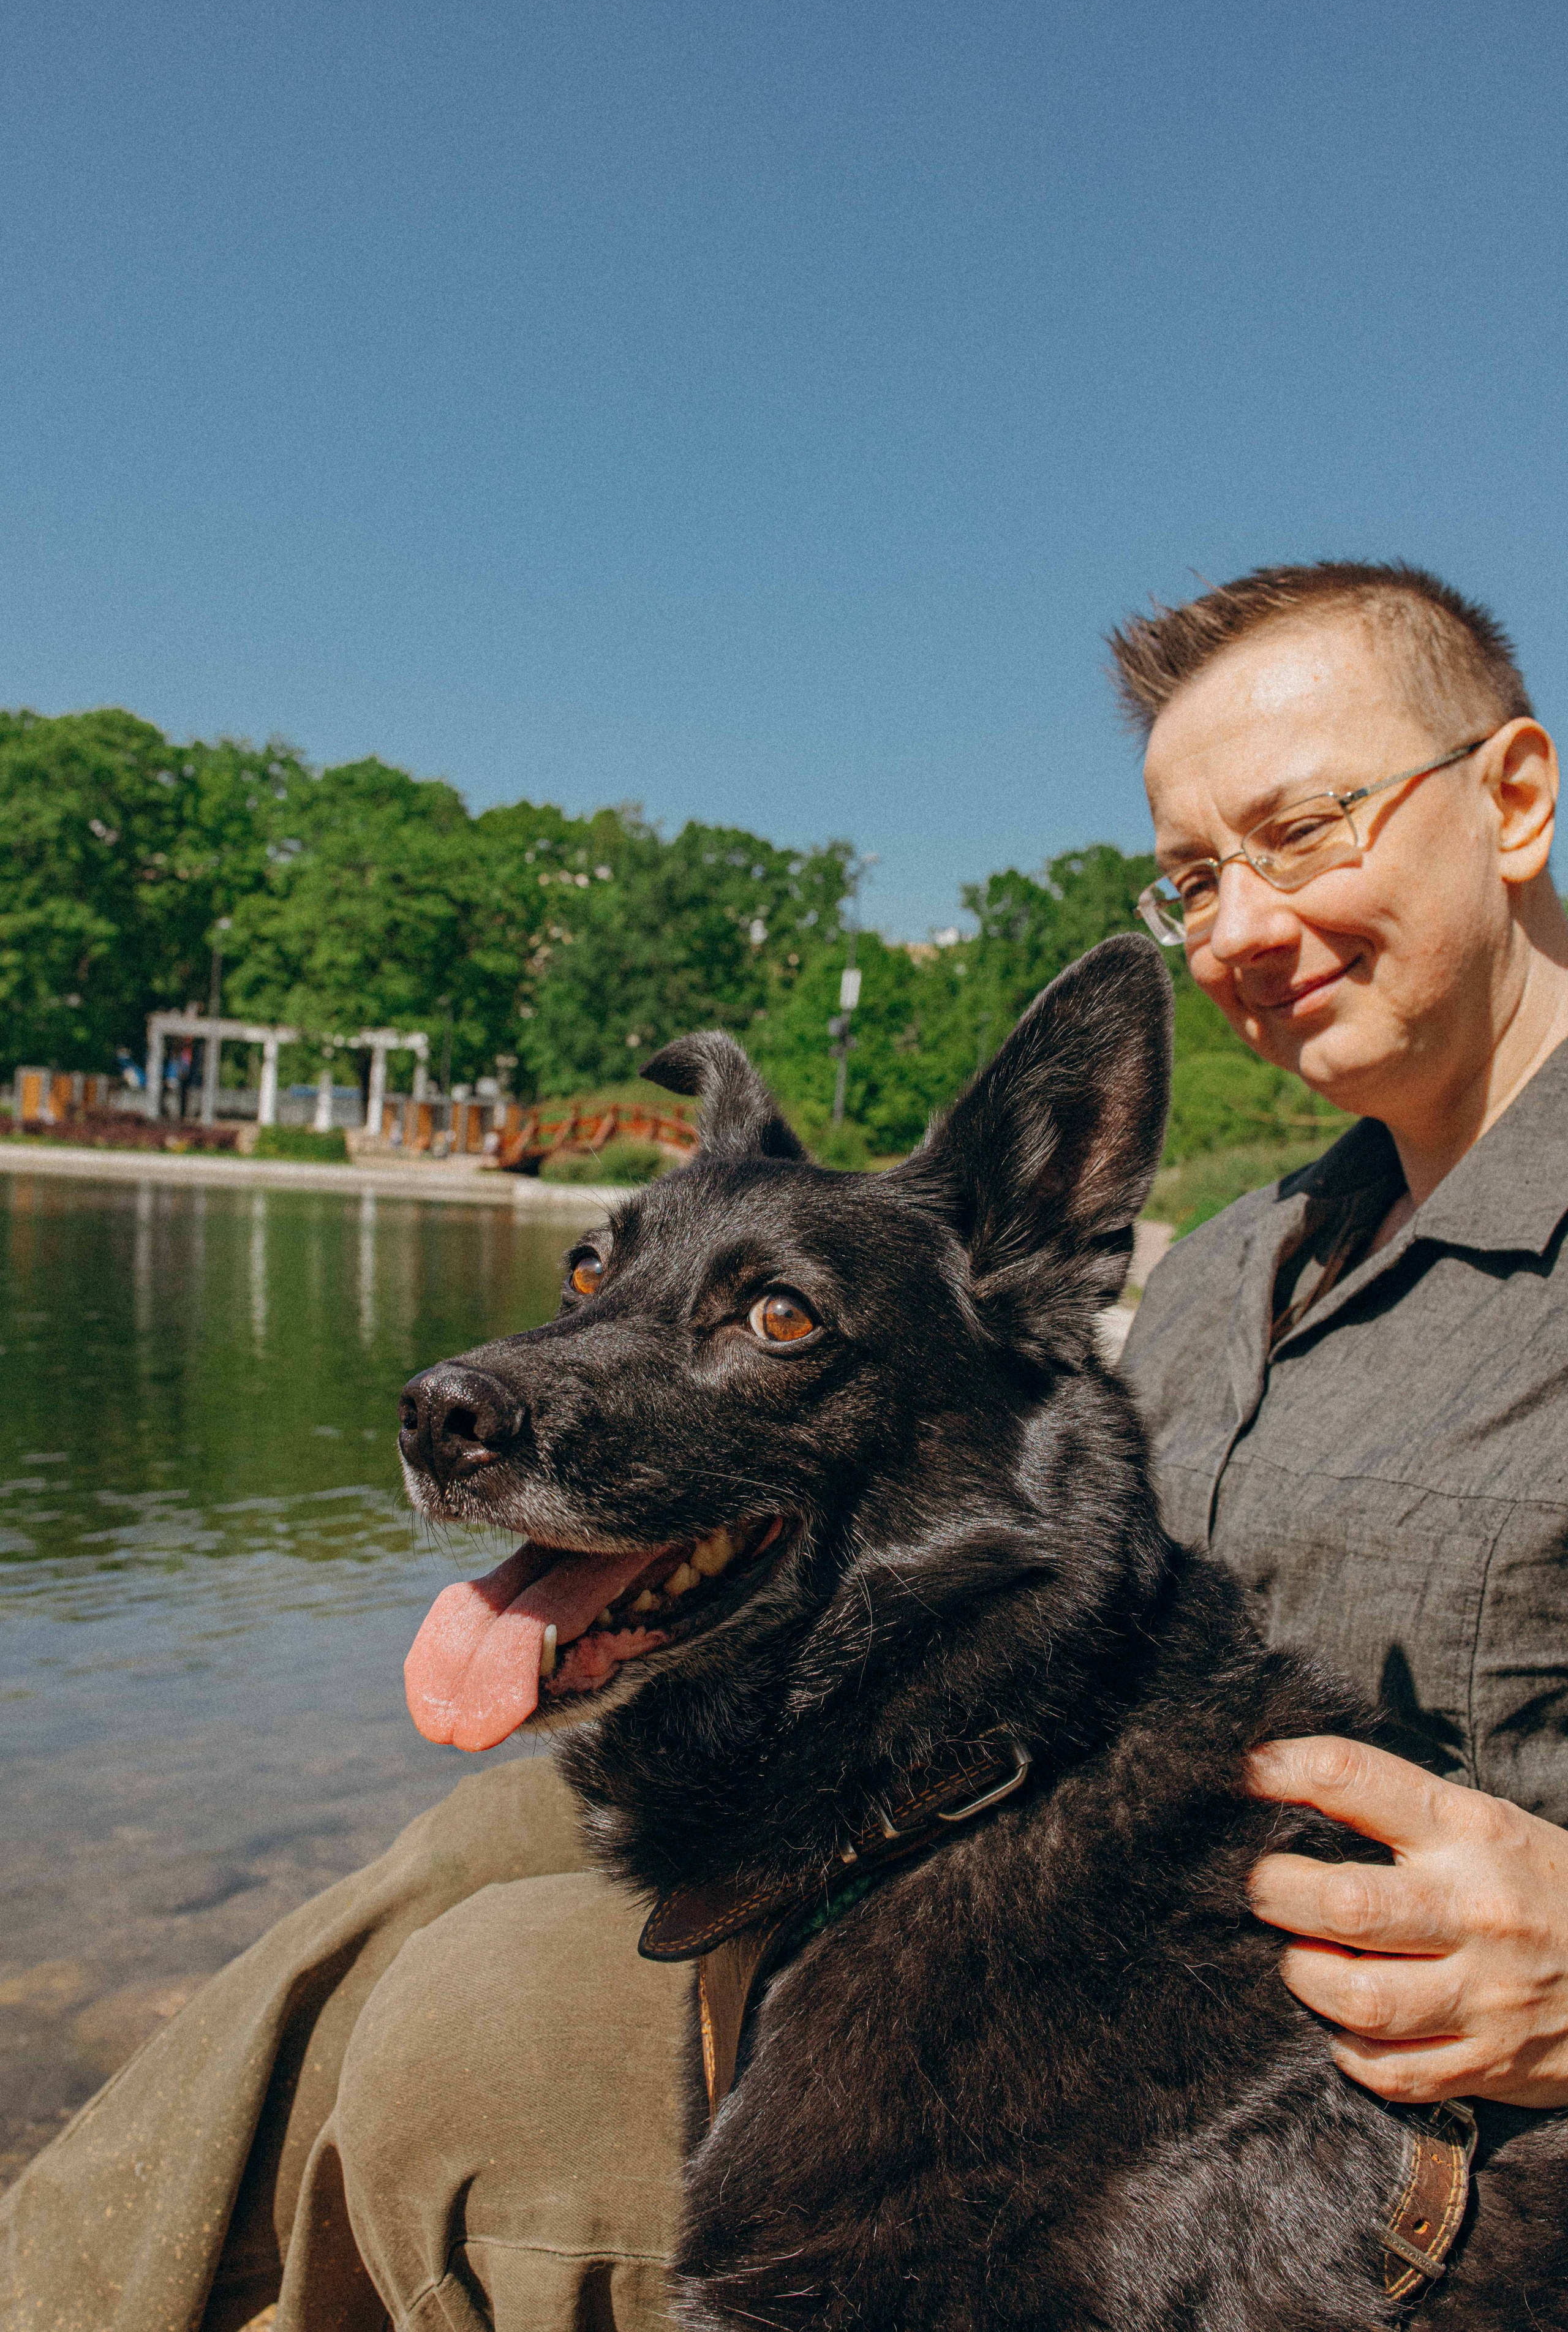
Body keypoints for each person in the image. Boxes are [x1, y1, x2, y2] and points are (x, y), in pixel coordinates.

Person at [6, 559, 1568, 2332]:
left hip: (1330, 2138)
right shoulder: (1233, 1265)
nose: (1239, 930)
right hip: (977, 1903)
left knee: (470, 2023)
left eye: (1303, 833)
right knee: (457, 1854)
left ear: (1511, 798)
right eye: (1196, 877)